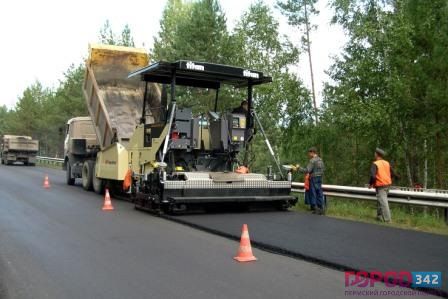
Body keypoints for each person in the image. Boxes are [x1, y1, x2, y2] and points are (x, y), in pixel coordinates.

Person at [369, 148, 395, 223]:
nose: (374, 154)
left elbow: (373, 176)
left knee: (384, 203)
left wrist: (371, 184)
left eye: (375, 153)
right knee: (380, 200)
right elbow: (392, 174)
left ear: (377, 154)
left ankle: (388, 220)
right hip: (387, 185)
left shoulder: (375, 163)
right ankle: (379, 216)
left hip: (381, 186)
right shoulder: (386, 163)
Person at [297, 147, 325, 215]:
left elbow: (307, 170)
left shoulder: (312, 161)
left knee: (313, 193)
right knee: (319, 192)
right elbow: (323, 169)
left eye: (309, 153)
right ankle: (321, 208)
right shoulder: (320, 160)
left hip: (313, 178)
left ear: (312, 152)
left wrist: (298, 168)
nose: (309, 155)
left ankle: (315, 208)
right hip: (320, 178)